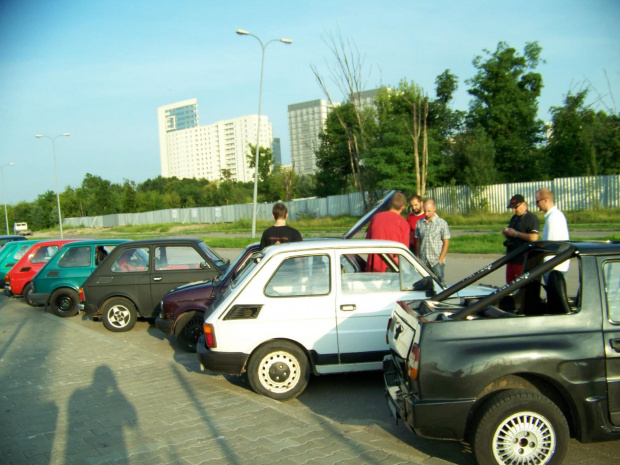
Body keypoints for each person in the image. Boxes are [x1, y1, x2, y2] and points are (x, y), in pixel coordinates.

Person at [365, 192, 409, 272]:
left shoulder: (376, 217)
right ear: (403, 207)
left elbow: (367, 241)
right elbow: (404, 252)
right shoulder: (404, 224)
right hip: (393, 268)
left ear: (389, 203)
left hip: (373, 267)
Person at [502, 194, 540, 282]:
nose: (514, 210)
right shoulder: (514, 218)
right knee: (509, 285)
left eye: (516, 207)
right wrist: (506, 233)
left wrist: (516, 234)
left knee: (520, 284)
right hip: (511, 256)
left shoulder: (531, 218)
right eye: (512, 208)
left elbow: (534, 237)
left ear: (523, 204)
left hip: (522, 259)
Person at [415, 199, 450, 283]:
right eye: (425, 211)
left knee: (439, 284)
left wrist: (440, 260)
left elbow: (446, 242)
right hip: (424, 261)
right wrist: (417, 257)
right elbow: (418, 241)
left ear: (434, 209)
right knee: (424, 284)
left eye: (429, 211)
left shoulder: (442, 223)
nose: (426, 214)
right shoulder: (420, 223)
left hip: (435, 261)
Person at [535, 188, 570, 273]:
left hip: (554, 266)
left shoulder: (554, 218)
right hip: (555, 264)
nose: (537, 205)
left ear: (545, 200)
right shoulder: (554, 215)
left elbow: (552, 244)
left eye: (537, 202)